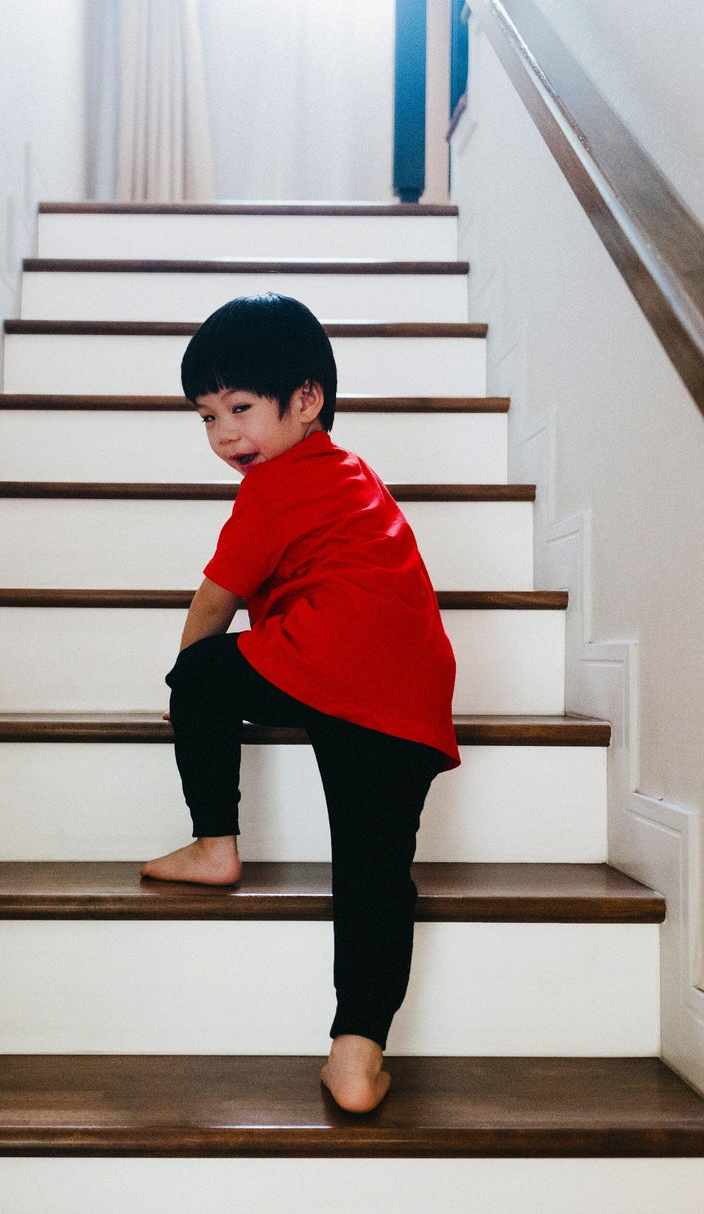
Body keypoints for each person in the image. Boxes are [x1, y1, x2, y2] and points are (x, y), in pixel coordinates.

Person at [140, 293, 459, 1114]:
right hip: (413, 688)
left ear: (307, 399)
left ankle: (216, 845)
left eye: (240, 409)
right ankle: (355, 1059)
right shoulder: (356, 478)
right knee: (375, 872)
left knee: (203, 672)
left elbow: (213, 604)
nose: (224, 436)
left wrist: (188, 693)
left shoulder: (275, 486)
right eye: (207, 418)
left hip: (328, 655)